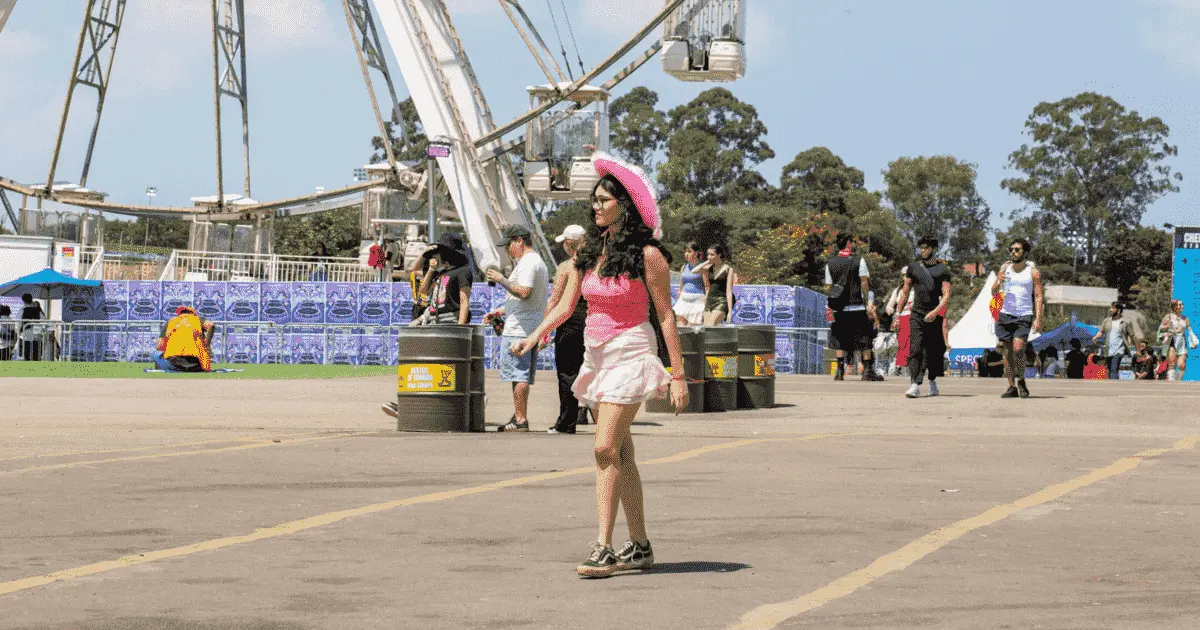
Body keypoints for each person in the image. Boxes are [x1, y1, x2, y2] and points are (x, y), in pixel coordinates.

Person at [512, 153, 687, 578]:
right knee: (622, 453)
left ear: (624, 205)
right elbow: (566, 304)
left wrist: (678, 375)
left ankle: (603, 546)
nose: (596, 206)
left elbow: (665, 315)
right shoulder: (589, 252)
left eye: (604, 200)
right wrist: (534, 336)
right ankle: (641, 545)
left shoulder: (649, 256)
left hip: (631, 351)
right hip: (597, 354)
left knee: (604, 447)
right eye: (594, 200)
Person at [485, 225, 549, 432]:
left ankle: (521, 419)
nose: (507, 251)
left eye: (509, 245)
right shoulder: (532, 262)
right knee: (519, 375)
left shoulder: (529, 262)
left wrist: (500, 279)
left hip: (520, 329)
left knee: (518, 374)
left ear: (519, 241)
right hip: (526, 325)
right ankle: (519, 414)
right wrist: (500, 312)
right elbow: (521, 299)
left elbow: (524, 292)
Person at [542, 224, 590, 435]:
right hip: (594, 318)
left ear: (570, 245)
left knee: (568, 371)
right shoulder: (596, 265)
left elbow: (555, 300)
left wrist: (545, 328)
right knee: (592, 369)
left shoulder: (566, 267)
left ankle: (566, 421)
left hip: (570, 321)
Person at [893, 237, 951, 398]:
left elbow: (946, 295)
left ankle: (932, 381)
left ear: (932, 249)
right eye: (921, 248)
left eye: (926, 248)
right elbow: (905, 291)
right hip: (917, 313)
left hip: (934, 314)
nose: (923, 250)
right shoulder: (913, 268)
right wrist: (898, 315)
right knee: (915, 348)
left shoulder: (942, 270)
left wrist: (936, 311)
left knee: (933, 351)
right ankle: (914, 384)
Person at [825, 232, 884, 381]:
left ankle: (839, 371)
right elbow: (864, 282)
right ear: (848, 243)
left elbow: (828, 287)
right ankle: (866, 372)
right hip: (857, 306)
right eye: (853, 241)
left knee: (840, 339)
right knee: (865, 339)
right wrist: (866, 299)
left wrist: (833, 301)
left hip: (840, 308)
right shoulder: (859, 260)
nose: (855, 244)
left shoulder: (830, 263)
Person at [991, 238, 1043, 398]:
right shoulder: (1004, 268)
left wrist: (1038, 318)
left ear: (1025, 252)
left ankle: (1021, 379)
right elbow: (994, 292)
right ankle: (1012, 386)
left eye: (1017, 249)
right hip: (1005, 315)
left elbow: (1039, 296)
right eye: (1011, 249)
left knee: (1018, 348)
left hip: (1024, 315)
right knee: (1007, 354)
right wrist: (998, 281)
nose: (1013, 252)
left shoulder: (1033, 272)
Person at [416, 232, 474, 326]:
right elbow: (422, 293)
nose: (435, 256)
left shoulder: (462, 271)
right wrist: (431, 270)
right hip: (434, 320)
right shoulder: (439, 273)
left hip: (451, 320)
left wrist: (461, 326)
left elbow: (464, 300)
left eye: (439, 252)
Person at [151, 306, 215, 372]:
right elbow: (211, 325)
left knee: (156, 354)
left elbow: (159, 346)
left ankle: (160, 372)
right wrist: (207, 344)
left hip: (174, 364)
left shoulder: (170, 322)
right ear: (193, 313)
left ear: (180, 314)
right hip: (197, 365)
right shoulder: (197, 320)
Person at [695, 244, 736, 325]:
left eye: (712, 254)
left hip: (722, 300)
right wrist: (707, 261)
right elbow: (694, 271)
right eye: (708, 254)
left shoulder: (728, 269)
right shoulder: (709, 267)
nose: (709, 256)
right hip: (710, 300)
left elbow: (729, 291)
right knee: (707, 327)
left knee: (711, 324)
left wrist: (730, 312)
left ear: (719, 255)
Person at [1093, 301, 1134, 380]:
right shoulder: (1106, 321)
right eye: (1111, 308)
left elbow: (1132, 335)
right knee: (1111, 369)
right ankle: (1114, 384)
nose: (1110, 310)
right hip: (1108, 350)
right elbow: (1101, 332)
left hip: (1119, 350)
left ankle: (1113, 385)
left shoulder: (1125, 321)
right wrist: (1096, 337)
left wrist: (1136, 348)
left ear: (1118, 310)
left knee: (1113, 368)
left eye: (1113, 308)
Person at [886, 267, 915, 376]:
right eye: (904, 275)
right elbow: (889, 305)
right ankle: (900, 367)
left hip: (914, 318)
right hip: (901, 318)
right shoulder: (898, 290)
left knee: (911, 345)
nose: (907, 278)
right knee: (903, 344)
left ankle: (906, 366)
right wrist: (890, 309)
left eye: (909, 275)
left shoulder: (917, 290)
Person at [1158, 299, 1194, 381]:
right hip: (1171, 342)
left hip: (1182, 343)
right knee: (1172, 363)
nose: (1182, 306)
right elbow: (1160, 329)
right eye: (1180, 305)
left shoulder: (1185, 318)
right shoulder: (1168, 317)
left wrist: (1193, 342)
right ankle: (1171, 382)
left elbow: (1190, 332)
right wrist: (1165, 328)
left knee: (1182, 365)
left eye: (1182, 304)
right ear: (1175, 306)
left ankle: (1179, 380)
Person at [672, 241, 706, 326]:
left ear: (697, 253)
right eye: (685, 252)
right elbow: (680, 288)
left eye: (689, 251)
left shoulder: (703, 267)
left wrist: (705, 304)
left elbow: (707, 287)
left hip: (697, 300)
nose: (686, 254)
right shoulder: (683, 267)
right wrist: (677, 301)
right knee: (681, 327)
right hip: (683, 299)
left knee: (693, 329)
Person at [19, 293, 46, 361]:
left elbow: (18, 323)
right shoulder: (38, 311)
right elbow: (44, 321)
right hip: (37, 335)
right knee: (36, 355)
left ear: (23, 301)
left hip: (27, 335)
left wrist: (19, 332)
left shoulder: (22, 311)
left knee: (27, 355)